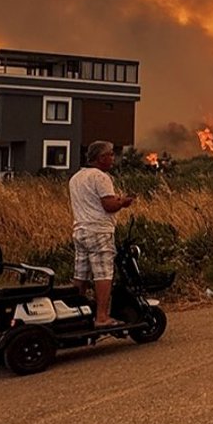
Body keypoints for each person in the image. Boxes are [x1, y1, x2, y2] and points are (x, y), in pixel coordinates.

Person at [70, 140, 135, 326]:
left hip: (80, 230)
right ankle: (102, 317)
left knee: (80, 274)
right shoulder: (101, 177)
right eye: (110, 154)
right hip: (99, 231)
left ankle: (76, 313)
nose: (113, 158)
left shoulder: (76, 178)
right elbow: (108, 205)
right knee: (103, 274)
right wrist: (123, 202)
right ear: (100, 158)